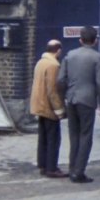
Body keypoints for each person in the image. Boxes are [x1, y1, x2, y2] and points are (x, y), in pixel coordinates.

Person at [57, 26, 100, 183]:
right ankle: (79, 172)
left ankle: (72, 168)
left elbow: (60, 80)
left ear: (80, 40)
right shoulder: (97, 58)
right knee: (86, 136)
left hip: (71, 99)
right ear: (96, 40)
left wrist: (63, 96)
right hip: (87, 100)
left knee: (74, 135)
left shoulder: (70, 55)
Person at [29, 40, 68, 178]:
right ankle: (52, 168)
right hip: (48, 107)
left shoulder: (41, 62)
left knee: (43, 137)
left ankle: (43, 164)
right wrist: (60, 110)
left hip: (39, 105)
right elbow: (52, 90)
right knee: (53, 139)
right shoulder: (53, 65)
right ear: (58, 50)